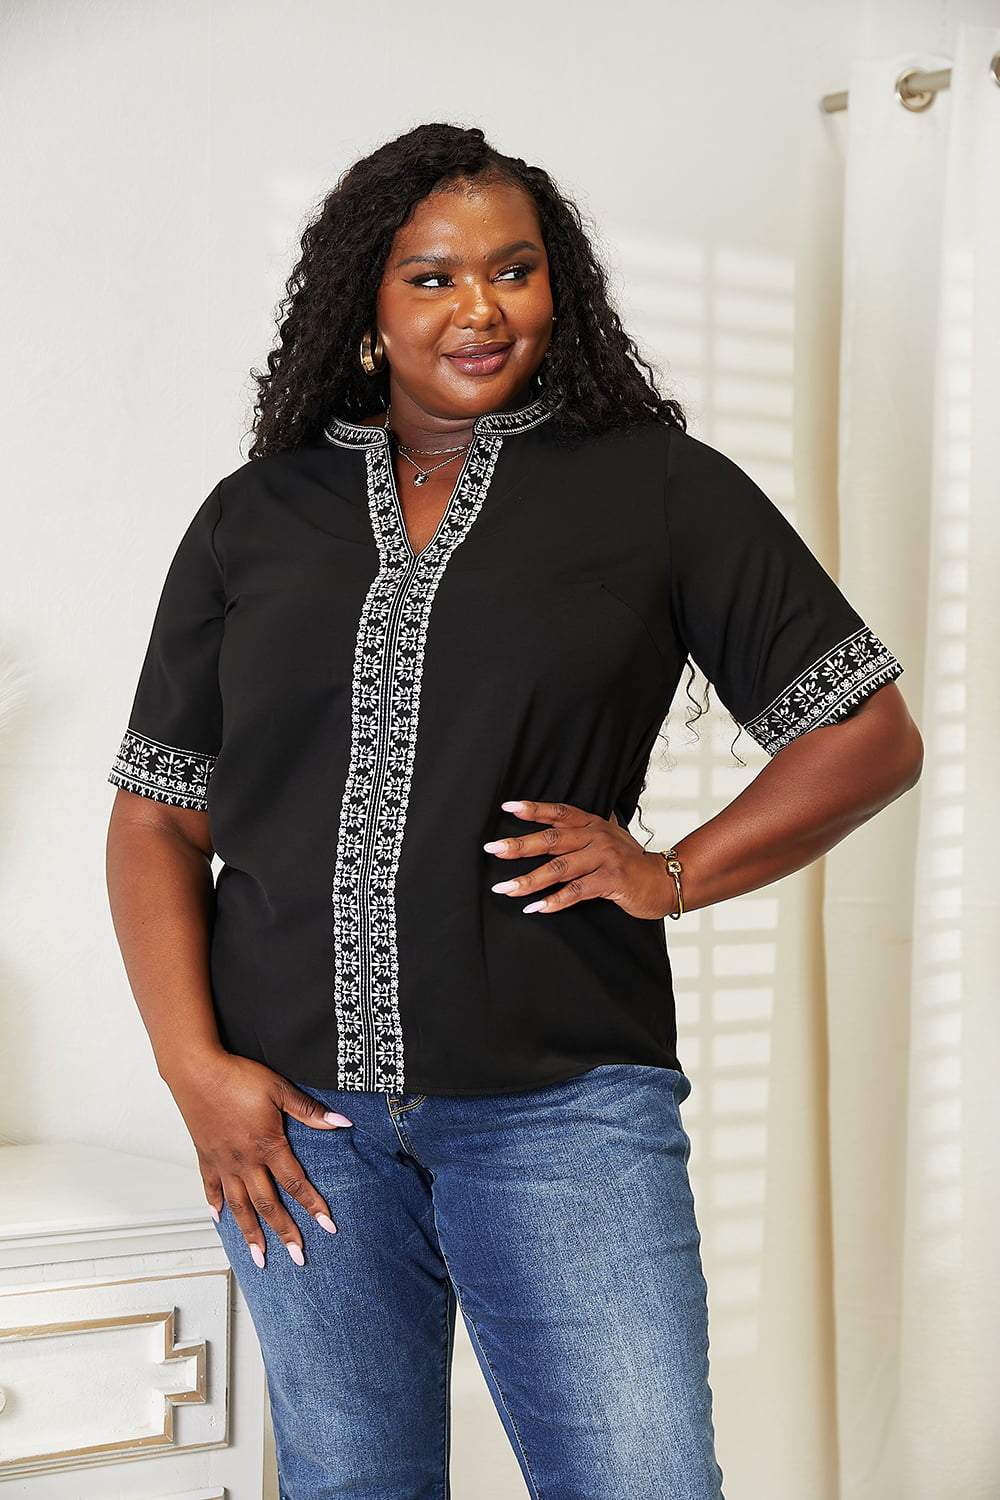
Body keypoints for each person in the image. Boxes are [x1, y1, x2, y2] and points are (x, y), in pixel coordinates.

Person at [104, 122, 923, 1500]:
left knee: (640, 1483)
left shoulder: (656, 487)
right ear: (365, 300)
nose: (481, 308)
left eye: (514, 270)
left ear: (561, 286)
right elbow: (156, 820)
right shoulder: (257, 517)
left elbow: (864, 734)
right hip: (297, 1131)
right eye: (432, 277)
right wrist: (200, 1075)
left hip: (563, 1109)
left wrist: (669, 872)